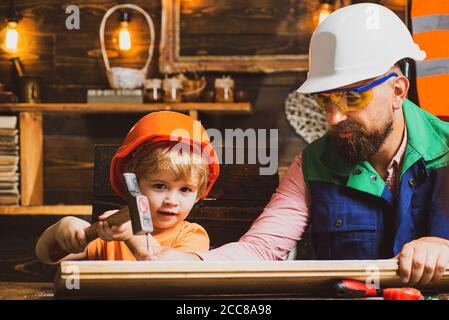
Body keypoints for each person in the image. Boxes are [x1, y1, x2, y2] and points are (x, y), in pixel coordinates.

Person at [150, 3, 449, 286]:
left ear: (397, 91)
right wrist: (193, 261)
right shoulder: (312, 165)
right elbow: (261, 248)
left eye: (352, 97)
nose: (333, 117)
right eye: (325, 100)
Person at [35, 111, 220, 264]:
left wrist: (134, 236)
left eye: (185, 189)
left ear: (199, 194)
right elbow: (47, 256)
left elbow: (166, 267)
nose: (171, 200)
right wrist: (62, 230)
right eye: (160, 186)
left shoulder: (193, 235)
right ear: (134, 185)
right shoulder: (111, 231)